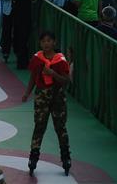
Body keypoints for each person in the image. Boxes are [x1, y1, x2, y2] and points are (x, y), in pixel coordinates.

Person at [22, 31, 71, 177]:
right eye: (43, 41)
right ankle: (33, 157)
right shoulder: (37, 58)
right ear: (40, 43)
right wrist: (27, 92)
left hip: (57, 97)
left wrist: (53, 74)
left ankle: (66, 157)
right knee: (39, 126)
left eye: (49, 41)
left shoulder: (60, 60)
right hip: (41, 97)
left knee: (60, 127)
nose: (46, 44)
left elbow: (66, 80)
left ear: (54, 42)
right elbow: (33, 77)